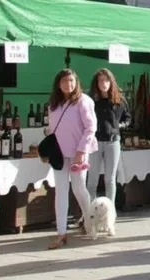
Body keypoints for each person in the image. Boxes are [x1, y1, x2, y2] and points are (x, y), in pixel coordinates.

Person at [46, 69, 97, 250]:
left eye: (71, 81)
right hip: (58, 153)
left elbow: (91, 127)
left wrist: (82, 150)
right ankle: (61, 233)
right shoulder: (54, 104)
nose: (68, 84)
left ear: (76, 83)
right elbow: (51, 129)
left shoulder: (83, 101)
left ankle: (89, 221)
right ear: (58, 84)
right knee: (60, 191)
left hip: (78, 152)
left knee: (79, 189)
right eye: (65, 81)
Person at [87, 69, 131, 203]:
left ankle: (110, 211)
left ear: (111, 82)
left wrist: (120, 126)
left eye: (106, 80)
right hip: (95, 142)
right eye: (100, 80)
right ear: (96, 83)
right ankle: (90, 210)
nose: (103, 83)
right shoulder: (91, 100)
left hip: (113, 142)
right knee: (92, 180)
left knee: (110, 180)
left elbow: (128, 118)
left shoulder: (119, 100)